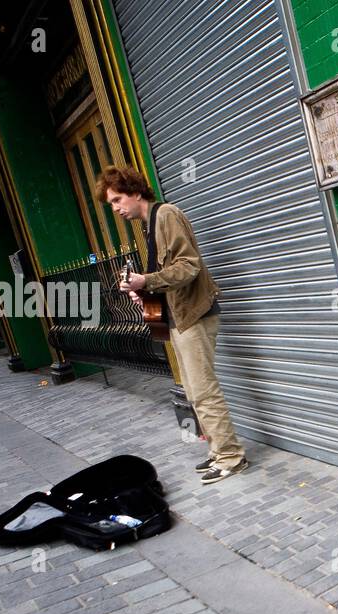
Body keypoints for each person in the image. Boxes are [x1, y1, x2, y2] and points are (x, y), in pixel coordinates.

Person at [96, 165, 248, 485]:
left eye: (118, 199)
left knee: (203, 389)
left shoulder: (166, 215)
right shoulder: (148, 225)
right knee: (193, 390)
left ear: (136, 192)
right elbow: (166, 278)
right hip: (178, 317)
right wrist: (143, 292)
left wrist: (146, 279)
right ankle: (220, 452)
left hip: (195, 315)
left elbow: (189, 266)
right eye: (111, 203)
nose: (116, 208)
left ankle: (232, 456)